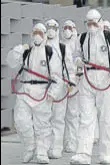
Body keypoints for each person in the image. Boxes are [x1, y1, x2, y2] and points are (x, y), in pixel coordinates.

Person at [70, 9, 110, 165]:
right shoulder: (82, 38)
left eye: (94, 22)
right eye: (89, 23)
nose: (91, 26)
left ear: (100, 22)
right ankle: (83, 154)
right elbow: (76, 55)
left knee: (106, 118)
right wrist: (78, 61)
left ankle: (106, 155)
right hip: (87, 79)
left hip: (106, 79)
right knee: (85, 118)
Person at [6, 23, 63, 164]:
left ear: (44, 36)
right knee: (21, 121)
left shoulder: (50, 52)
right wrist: (20, 49)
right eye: (35, 32)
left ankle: (42, 152)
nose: (37, 35)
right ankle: (29, 146)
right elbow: (11, 62)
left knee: (42, 124)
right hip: (25, 91)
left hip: (42, 93)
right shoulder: (27, 51)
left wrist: (52, 93)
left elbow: (57, 77)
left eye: (40, 32)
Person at [45, 19, 72, 158]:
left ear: (57, 29)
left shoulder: (62, 48)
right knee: (44, 119)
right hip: (43, 87)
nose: (50, 30)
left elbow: (69, 68)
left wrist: (69, 82)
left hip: (60, 87)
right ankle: (44, 147)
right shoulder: (40, 45)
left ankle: (56, 148)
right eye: (48, 27)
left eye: (53, 27)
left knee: (58, 119)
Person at [60, 20, 81, 153]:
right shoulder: (59, 45)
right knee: (59, 115)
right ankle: (59, 142)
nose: (67, 30)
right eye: (65, 27)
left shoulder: (77, 45)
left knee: (73, 114)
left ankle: (72, 142)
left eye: (70, 27)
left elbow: (80, 63)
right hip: (61, 83)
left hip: (75, 83)